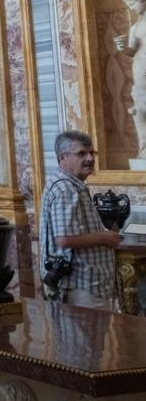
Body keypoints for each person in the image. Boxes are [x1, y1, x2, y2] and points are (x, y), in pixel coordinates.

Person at [40, 131, 120, 309]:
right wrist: (105, 237)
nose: (90, 159)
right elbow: (64, 239)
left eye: (92, 153)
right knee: (85, 329)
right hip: (79, 285)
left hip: (85, 284)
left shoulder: (71, 184)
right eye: (82, 153)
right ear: (62, 158)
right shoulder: (66, 189)